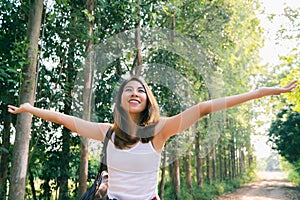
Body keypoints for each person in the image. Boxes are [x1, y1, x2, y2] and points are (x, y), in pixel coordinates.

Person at [8, 76, 297, 200]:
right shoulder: (106, 131)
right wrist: (30, 109)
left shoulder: (159, 131)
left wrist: (262, 92)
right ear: (121, 99)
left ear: (147, 100)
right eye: (128, 90)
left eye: (141, 90)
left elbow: (204, 107)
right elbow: (65, 120)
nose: (134, 93)